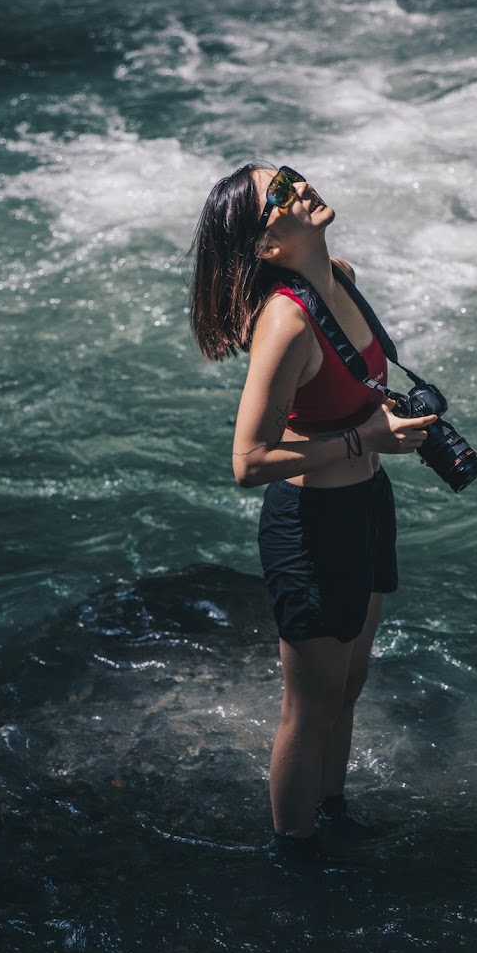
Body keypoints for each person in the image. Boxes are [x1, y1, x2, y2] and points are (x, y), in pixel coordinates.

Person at [189, 163, 436, 864]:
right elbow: (247, 462)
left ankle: (335, 811)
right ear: (265, 245)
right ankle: (293, 856)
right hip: (311, 523)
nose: (300, 190)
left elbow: (349, 395)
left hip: (366, 502)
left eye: (292, 177)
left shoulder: (344, 277)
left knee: (349, 687)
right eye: (278, 196)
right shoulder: (285, 323)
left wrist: (384, 424)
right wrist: (366, 439)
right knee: (310, 704)